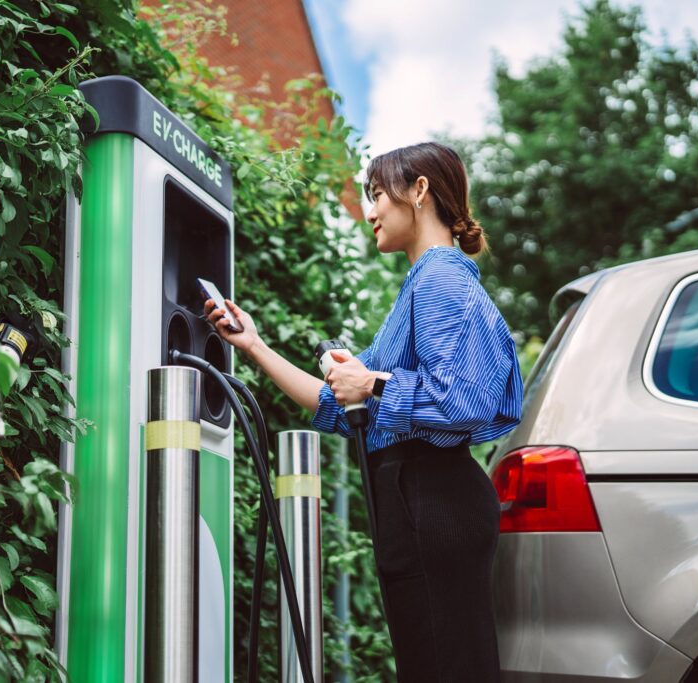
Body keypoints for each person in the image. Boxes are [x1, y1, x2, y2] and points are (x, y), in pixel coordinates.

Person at [205, 142, 523, 682]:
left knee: (444, 666)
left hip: (433, 496)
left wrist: (373, 381)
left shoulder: (441, 278)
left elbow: (464, 400)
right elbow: (335, 401)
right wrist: (254, 346)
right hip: (419, 498)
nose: (370, 211)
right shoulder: (418, 289)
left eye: (376, 195)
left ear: (419, 191)